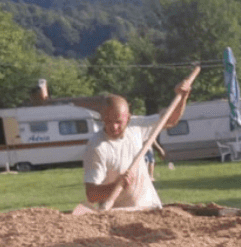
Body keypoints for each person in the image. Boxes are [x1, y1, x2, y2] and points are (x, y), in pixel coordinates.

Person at [80, 71, 195, 209]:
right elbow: (91, 195)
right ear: (102, 118)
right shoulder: (97, 147)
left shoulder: (136, 126)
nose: (113, 126)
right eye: (108, 121)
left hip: (151, 208)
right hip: (119, 216)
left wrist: (183, 96)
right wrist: (116, 185)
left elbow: (170, 119)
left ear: (128, 118)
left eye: (118, 121)